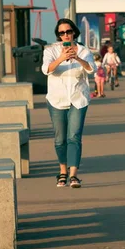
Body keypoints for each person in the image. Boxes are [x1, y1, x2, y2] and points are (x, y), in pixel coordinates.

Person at [42, 18, 96, 188]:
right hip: (56, 99)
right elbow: (46, 70)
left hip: (78, 99)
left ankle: (73, 176)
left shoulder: (83, 50)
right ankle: (62, 172)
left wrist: (78, 58)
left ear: (74, 32)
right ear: (58, 35)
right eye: (62, 33)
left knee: (74, 137)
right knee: (60, 139)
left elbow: (91, 69)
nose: (65, 35)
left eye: (68, 31)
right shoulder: (50, 50)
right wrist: (61, 58)